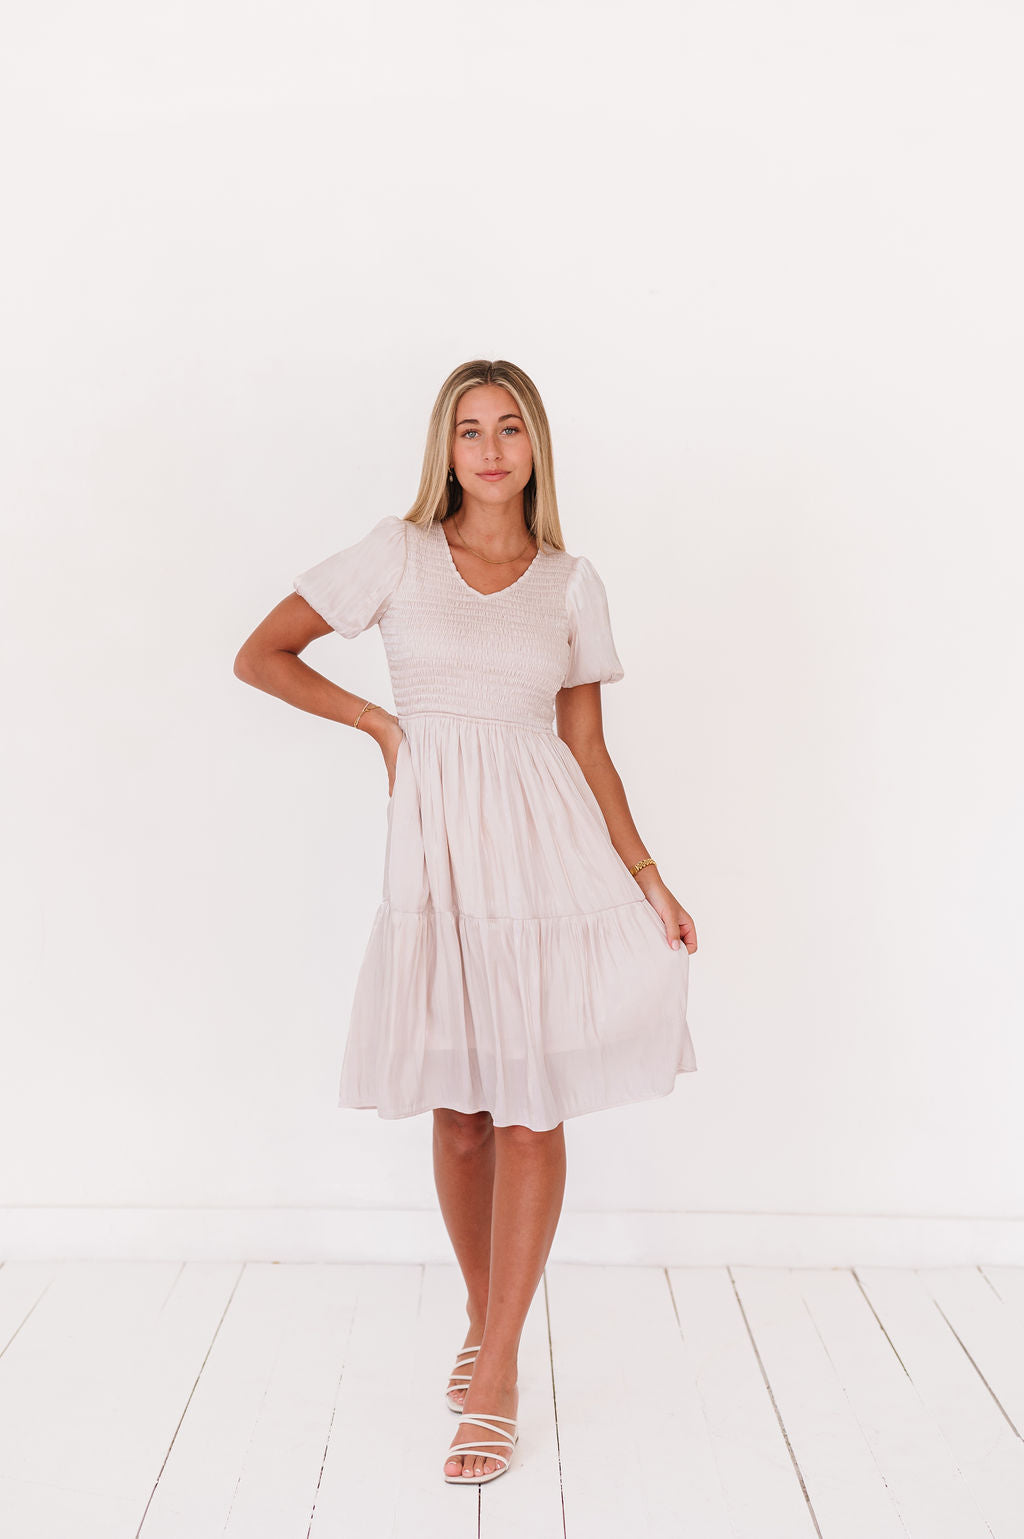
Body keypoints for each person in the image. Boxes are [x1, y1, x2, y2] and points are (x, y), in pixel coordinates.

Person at [233, 358, 698, 1486]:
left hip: (547, 860)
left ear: (537, 448)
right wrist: (382, 727)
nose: (491, 450)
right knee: (460, 1114)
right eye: (471, 430)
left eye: (511, 429)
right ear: (445, 448)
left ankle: (496, 1368)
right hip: (439, 860)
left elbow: (587, 749)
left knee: (532, 1111)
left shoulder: (571, 582)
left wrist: (648, 875)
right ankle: (486, 1320)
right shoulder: (396, 554)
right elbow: (262, 655)